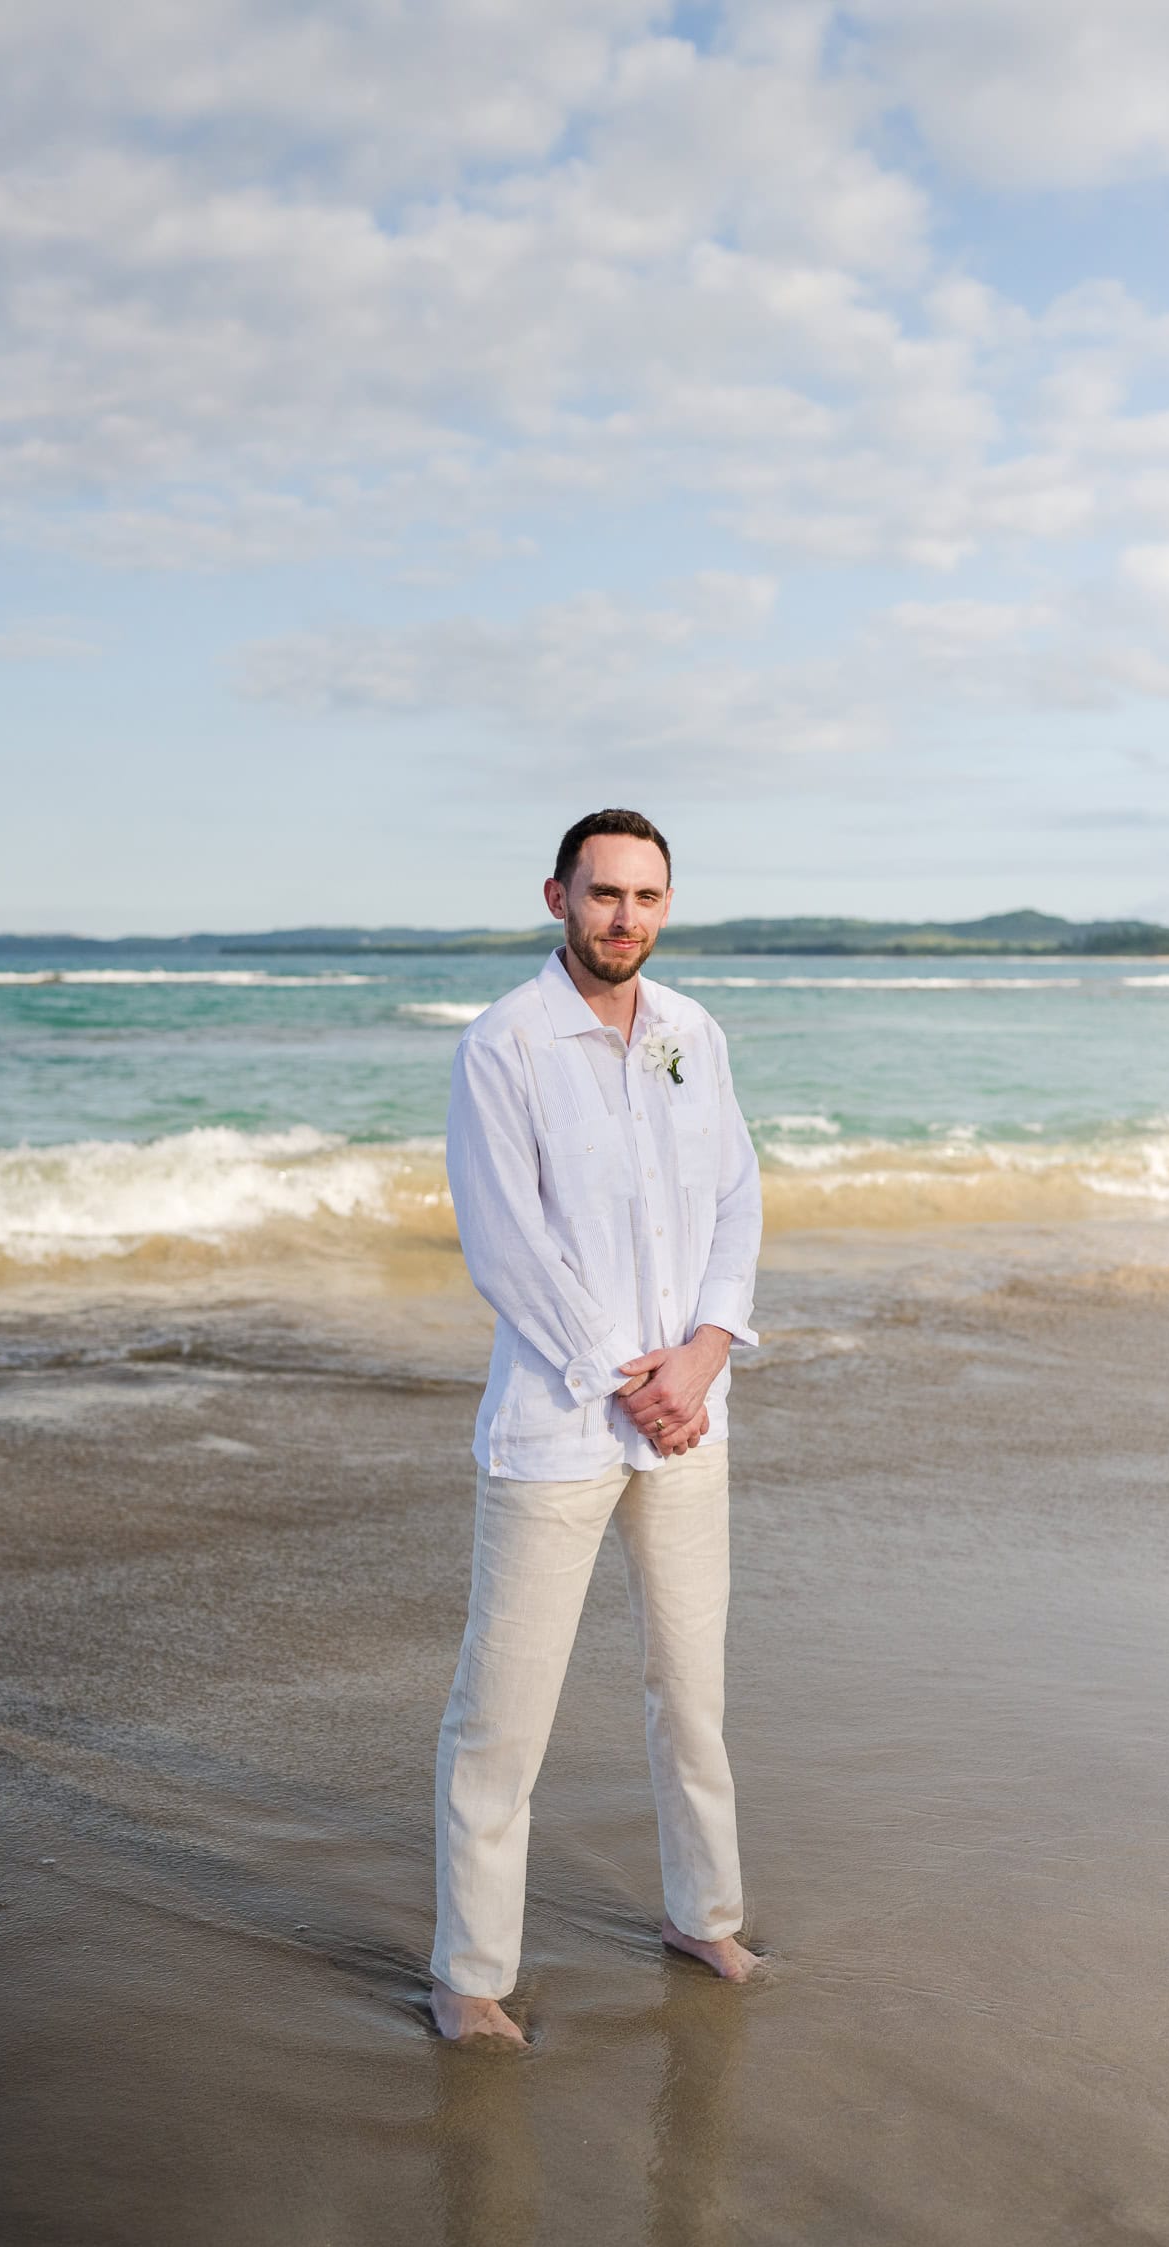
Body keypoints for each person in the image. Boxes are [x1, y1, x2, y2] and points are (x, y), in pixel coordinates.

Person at [429, 807, 763, 2044]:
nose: (626, 918)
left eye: (648, 897)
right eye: (604, 893)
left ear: (667, 907)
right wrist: (634, 1379)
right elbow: (506, 1244)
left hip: (692, 1421)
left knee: (692, 1692)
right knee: (501, 1718)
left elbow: (737, 1198)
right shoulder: (505, 1045)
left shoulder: (694, 1035)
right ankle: (468, 1976)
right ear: (558, 895)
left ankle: (702, 1914)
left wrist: (707, 1351)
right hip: (559, 1428)